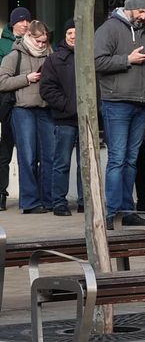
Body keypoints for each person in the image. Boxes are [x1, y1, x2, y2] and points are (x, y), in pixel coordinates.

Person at [93, 0, 145, 228]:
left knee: (132, 160)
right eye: (141, 10)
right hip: (117, 103)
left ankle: (126, 211)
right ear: (130, 7)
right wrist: (127, 59)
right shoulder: (109, 29)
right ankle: (111, 213)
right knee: (117, 159)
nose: (144, 15)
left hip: (142, 103)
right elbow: (97, 61)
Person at [0, 20, 53, 213]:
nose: (41, 45)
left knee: (49, 157)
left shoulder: (50, 55)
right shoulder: (14, 55)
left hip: (46, 110)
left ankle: (48, 200)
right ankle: (30, 202)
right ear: (29, 36)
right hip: (22, 110)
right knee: (28, 157)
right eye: (38, 41)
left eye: (44, 42)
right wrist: (26, 78)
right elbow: (2, 82)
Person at [39, 20, 84, 216]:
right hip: (64, 119)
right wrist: (68, 106)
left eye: (76, 32)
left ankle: (85, 202)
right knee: (61, 163)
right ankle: (59, 202)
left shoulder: (90, 57)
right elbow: (47, 89)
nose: (73, 36)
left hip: (87, 121)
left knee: (86, 165)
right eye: (69, 33)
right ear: (65, 36)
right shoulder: (53, 60)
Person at [0, 6, 31, 211]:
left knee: (27, 153)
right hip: (6, 103)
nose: (25, 24)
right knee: (4, 152)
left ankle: (29, 197)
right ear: (13, 24)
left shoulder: (34, 42)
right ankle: (1, 194)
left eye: (27, 21)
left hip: (26, 103)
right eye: (21, 21)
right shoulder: (3, 45)